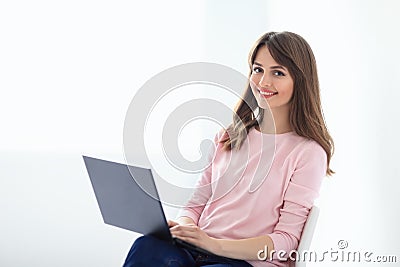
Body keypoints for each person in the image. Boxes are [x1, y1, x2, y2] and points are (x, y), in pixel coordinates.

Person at [122, 31, 334, 267]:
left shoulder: (308, 153)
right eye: (258, 69)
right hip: (196, 251)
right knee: (146, 246)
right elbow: (196, 203)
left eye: (278, 73)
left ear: (301, 80)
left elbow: (286, 241)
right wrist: (187, 228)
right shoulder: (228, 137)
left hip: (245, 262)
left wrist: (214, 244)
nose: (264, 82)